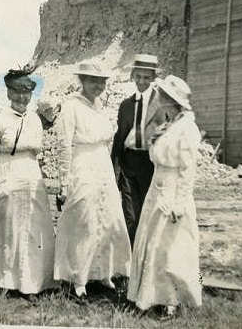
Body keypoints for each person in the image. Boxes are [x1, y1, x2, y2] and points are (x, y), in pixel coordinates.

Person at [0, 67, 56, 295]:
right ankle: (3, 281)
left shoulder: (36, 120)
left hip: (31, 174)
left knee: (33, 228)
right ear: (8, 93)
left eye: (26, 92)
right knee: (7, 228)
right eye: (16, 92)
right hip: (6, 171)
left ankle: (32, 283)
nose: (21, 97)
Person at [54, 61, 131, 297]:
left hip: (102, 166)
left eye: (102, 81)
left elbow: (108, 141)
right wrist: (64, 181)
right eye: (93, 80)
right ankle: (78, 280)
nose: (99, 85)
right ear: (82, 82)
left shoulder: (102, 107)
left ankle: (102, 273)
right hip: (82, 164)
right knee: (84, 221)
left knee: (107, 219)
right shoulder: (70, 107)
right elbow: (64, 145)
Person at [127, 74, 203, 314]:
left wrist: (179, 203)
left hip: (171, 191)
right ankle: (150, 296)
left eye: (161, 95)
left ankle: (171, 301)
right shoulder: (168, 124)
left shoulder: (187, 128)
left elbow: (187, 169)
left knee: (170, 246)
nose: (157, 98)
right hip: (156, 188)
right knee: (153, 244)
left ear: (171, 100)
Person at [111, 53, 160, 246]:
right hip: (129, 163)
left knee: (147, 215)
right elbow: (119, 138)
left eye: (146, 78)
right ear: (133, 76)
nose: (142, 81)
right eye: (138, 77)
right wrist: (114, 167)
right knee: (130, 214)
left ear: (154, 78)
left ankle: (145, 259)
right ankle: (129, 264)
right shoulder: (125, 105)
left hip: (151, 164)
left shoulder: (161, 103)